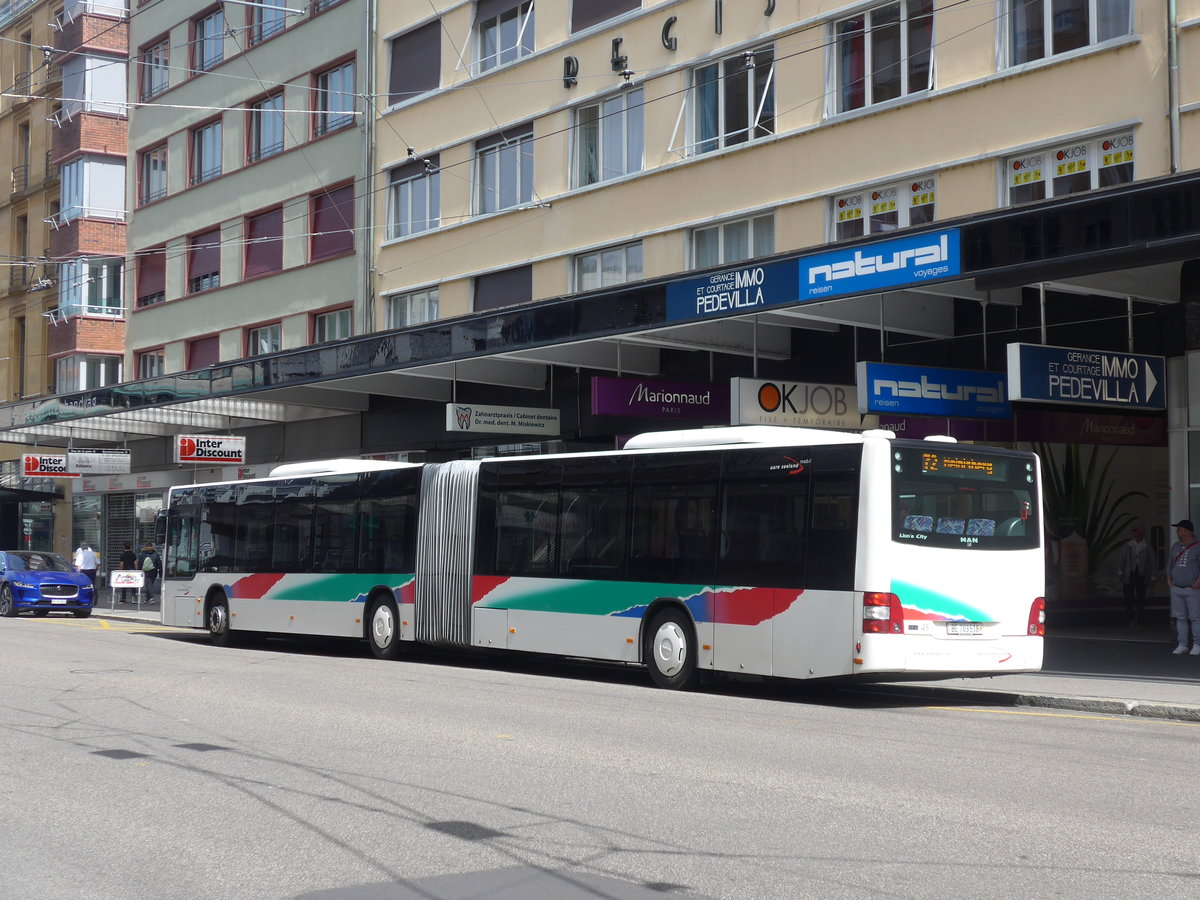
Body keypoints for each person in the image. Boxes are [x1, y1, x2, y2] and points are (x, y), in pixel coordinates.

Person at [1166, 519, 1200, 655]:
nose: (1177, 531)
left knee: (1195, 617)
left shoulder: (1198, 546)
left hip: (1193, 588)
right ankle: (1183, 644)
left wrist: (1198, 582)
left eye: (1179, 529)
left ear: (1187, 531)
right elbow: (1170, 564)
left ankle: (1197, 644)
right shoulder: (1175, 546)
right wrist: (1169, 580)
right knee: (1181, 617)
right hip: (1176, 587)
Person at [1117, 523, 1155, 630]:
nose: (1133, 533)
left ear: (1141, 532)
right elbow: (1121, 560)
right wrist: (1120, 572)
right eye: (1132, 531)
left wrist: (1153, 576)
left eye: (1136, 530)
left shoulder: (1147, 546)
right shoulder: (1128, 545)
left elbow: (1152, 562)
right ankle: (1131, 617)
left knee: (1140, 599)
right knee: (1128, 597)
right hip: (1130, 574)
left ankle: (1140, 621)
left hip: (1141, 575)